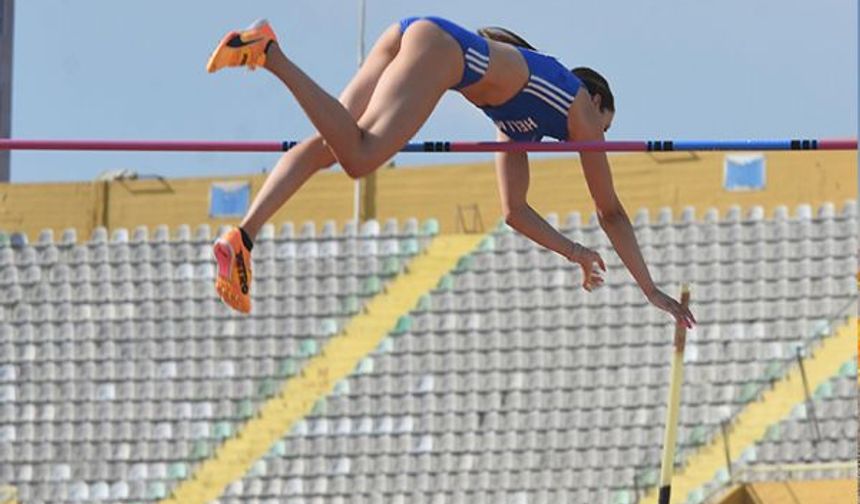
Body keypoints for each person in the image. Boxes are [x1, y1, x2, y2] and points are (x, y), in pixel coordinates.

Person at [206, 16, 696, 329]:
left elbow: (514, 210)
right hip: (439, 50)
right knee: (360, 158)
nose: (593, 141)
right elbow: (609, 210)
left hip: (411, 34)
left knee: (333, 148)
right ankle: (270, 55)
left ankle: (243, 237)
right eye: (605, 128)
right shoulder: (576, 105)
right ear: (596, 103)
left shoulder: (520, 122)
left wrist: (574, 252)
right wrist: (649, 289)